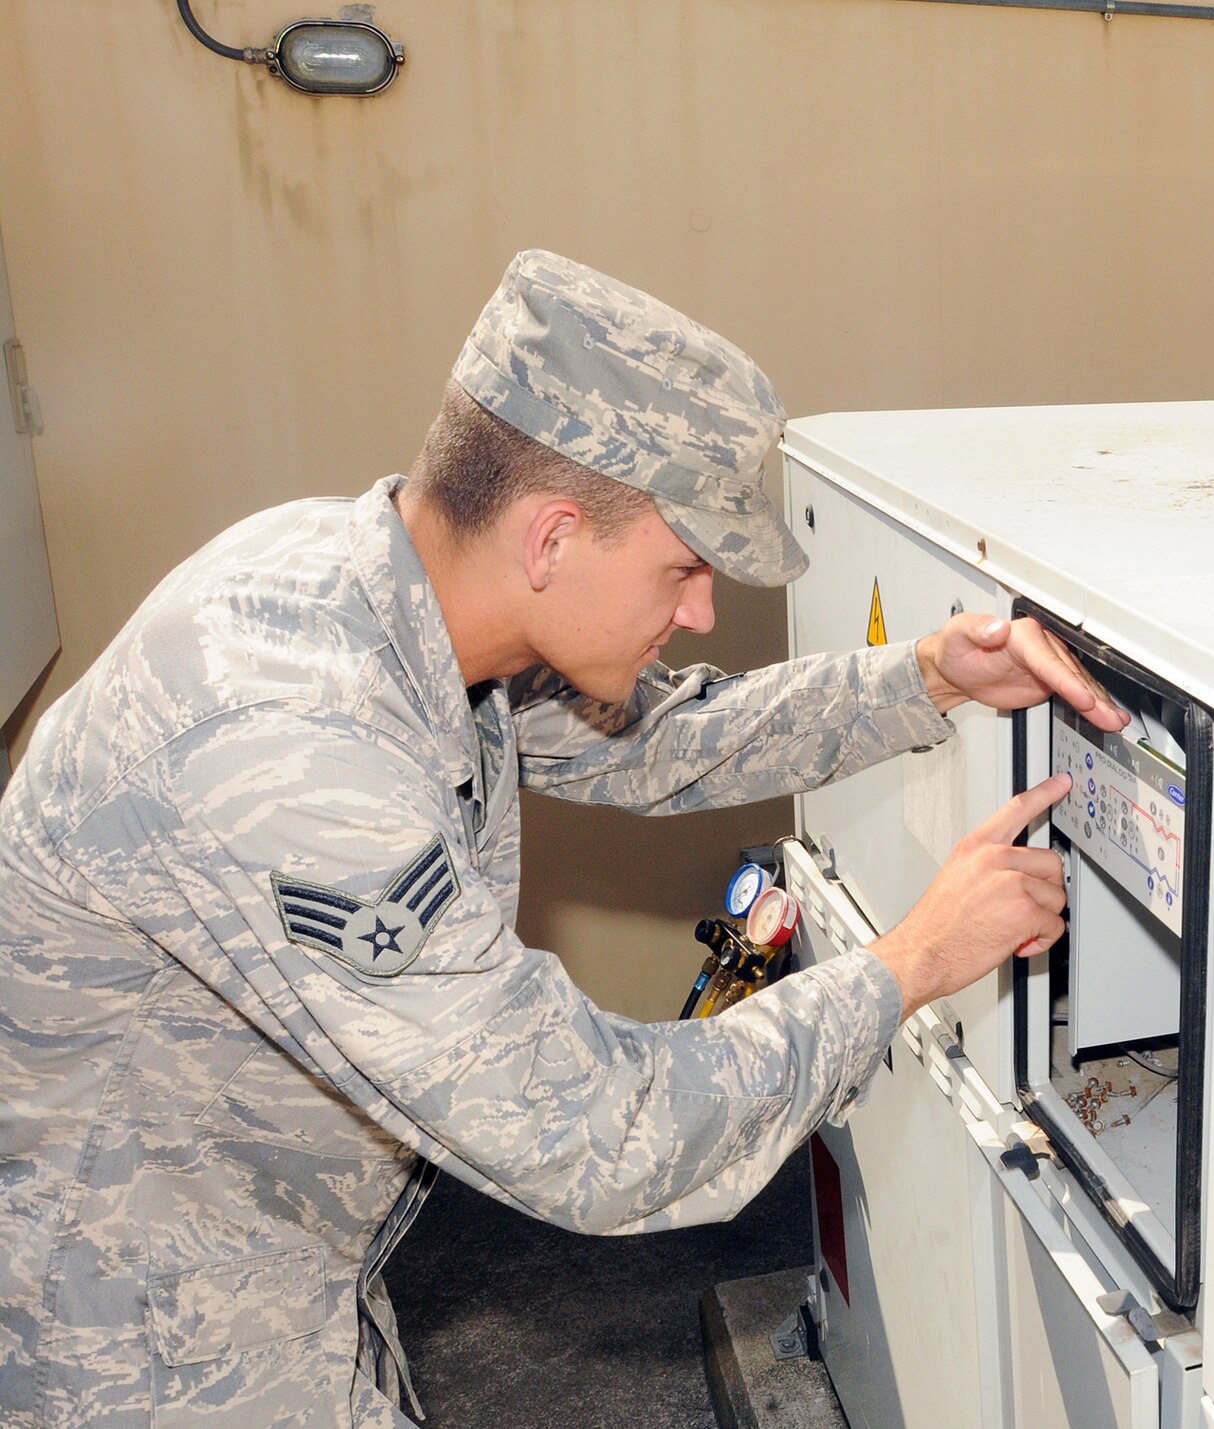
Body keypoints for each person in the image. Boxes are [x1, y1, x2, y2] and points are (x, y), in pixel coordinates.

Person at [0, 249, 1127, 1429]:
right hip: (123, 1339)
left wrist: (928, 678)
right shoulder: (290, 741)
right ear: (549, 539)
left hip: (266, 1256)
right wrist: (913, 964)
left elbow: (664, 740)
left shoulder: (396, 596)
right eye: (682, 568)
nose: (698, 610)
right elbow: (598, 1132)